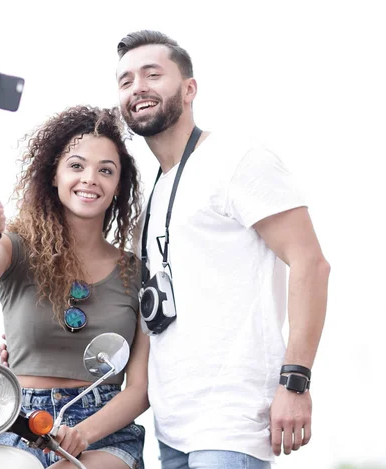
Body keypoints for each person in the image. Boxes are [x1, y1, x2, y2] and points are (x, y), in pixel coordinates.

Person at [113, 30, 330, 469]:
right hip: (171, 426)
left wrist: (296, 382)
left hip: (232, 420)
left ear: (189, 89)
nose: (138, 87)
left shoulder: (238, 158)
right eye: (126, 80)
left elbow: (311, 263)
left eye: (152, 74)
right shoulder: (153, 192)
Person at [0, 105, 149, 469]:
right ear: (55, 175)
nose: (90, 179)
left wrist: (83, 432)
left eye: (106, 170)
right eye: (77, 166)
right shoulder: (17, 246)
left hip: (105, 432)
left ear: (118, 186)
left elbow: (140, 389)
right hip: (14, 423)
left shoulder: (136, 272)